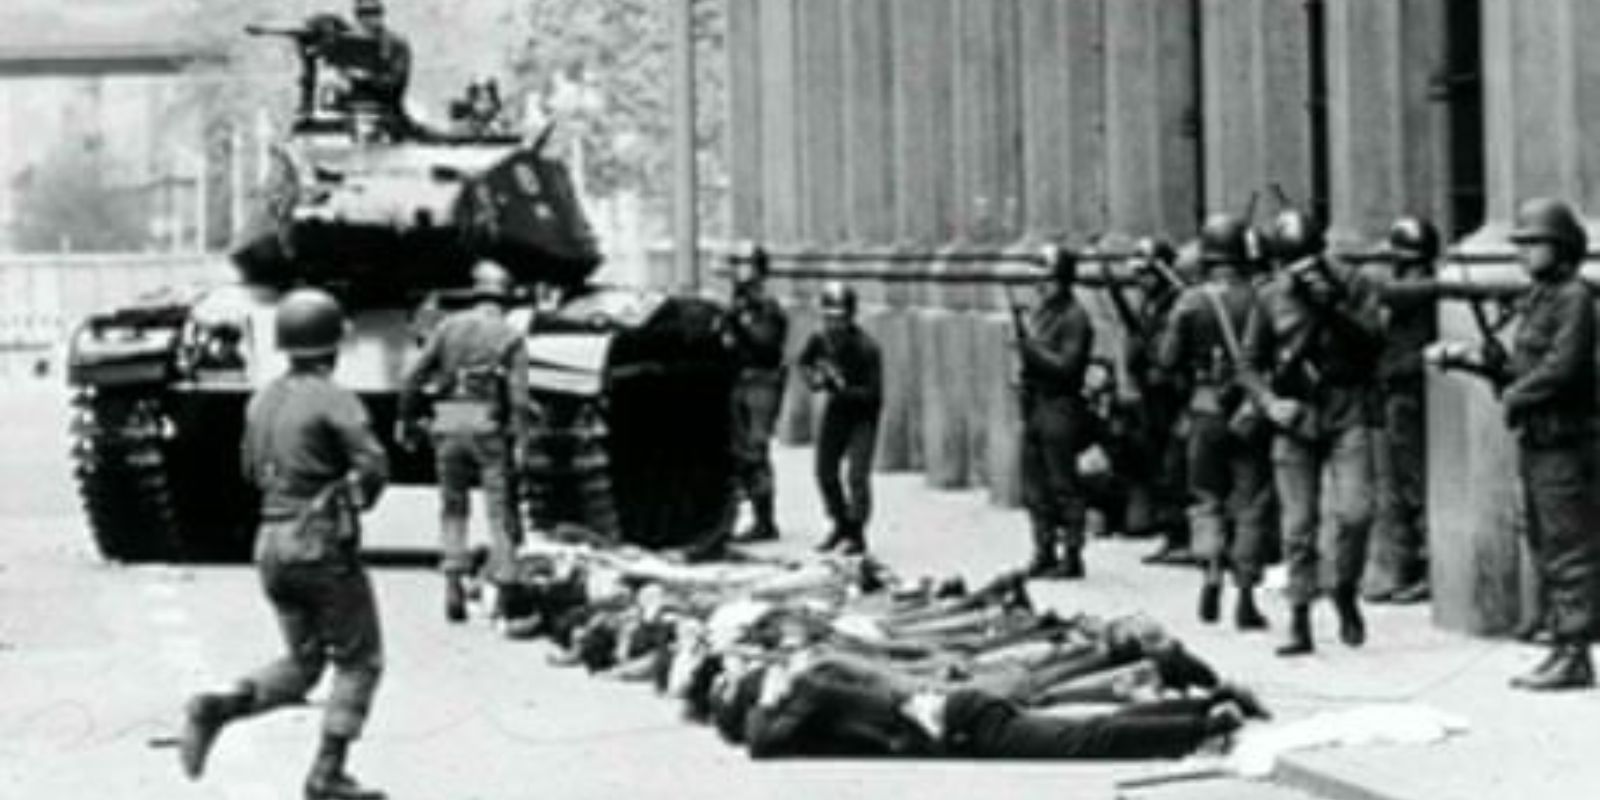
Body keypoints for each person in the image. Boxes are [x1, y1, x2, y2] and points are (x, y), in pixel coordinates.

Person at [177, 288, 389, 800]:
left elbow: (251, 470)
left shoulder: (260, 399)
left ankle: (219, 705)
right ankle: (327, 772)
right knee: (361, 660)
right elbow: (373, 468)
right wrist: (354, 499)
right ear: (333, 345)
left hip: (270, 540)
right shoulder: (335, 398)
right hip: (318, 543)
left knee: (303, 662)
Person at [1428, 197, 1597, 690]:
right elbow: (1521, 368)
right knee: (1546, 541)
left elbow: (1563, 368)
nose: (1523, 253)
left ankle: (1574, 649)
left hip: (1566, 441)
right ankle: (1562, 641)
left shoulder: (1574, 299)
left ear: (1561, 247)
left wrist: (1517, 395)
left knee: (1570, 548)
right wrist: (1468, 360)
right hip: (1541, 440)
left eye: (1533, 244)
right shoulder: (1541, 297)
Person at [1247, 209, 1383, 657]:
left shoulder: (1354, 283)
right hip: (1297, 414)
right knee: (1298, 525)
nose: (1299, 269)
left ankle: (1345, 588)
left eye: (1307, 258)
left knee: (1356, 512)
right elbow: (1248, 363)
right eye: (1291, 262)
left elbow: (1374, 341)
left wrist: (1334, 307)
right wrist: (1269, 403)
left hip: (1347, 408)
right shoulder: (1269, 297)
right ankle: (1300, 616)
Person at [1157, 214, 1274, 632]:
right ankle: (1245, 592)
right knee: (1252, 503)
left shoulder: (1190, 301)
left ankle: (1209, 567)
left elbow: (1166, 359)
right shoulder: (1262, 296)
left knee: (1206, 497)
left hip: (1205, 407)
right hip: (1249, 411)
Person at [398, 260, 532, 623]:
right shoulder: (510, 336)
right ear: (504, 300)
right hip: (488, 424)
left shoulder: (447, 327)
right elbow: (519, 398)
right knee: (499, 509)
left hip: (449, 422)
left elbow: (412, 376)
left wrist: (406, 419)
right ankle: (504, 587)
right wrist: (522, 439)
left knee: (453, 507)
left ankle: (453, 582)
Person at [1107, 236, 1193, 563]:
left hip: (1177, 395)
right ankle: (1171, 533)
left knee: (1175, 468)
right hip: (1154, 398)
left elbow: (1173, 354)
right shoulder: (1151, 304)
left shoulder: (1178, 304)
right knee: (1158, 465)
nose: (1140, 280)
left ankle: (1180, 536)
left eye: (1146, 273)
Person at [1366, 216, 1439, 605]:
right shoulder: (1420, 287)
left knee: (1415, 485)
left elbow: (1386, 293)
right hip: (1402, 394)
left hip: (1409, 396)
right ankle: (1410, 566)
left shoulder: (1418, 289)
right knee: (1404, 487)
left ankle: (1427, 569)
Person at [1015, 245, 1095, 579]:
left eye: (1046, 279)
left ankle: (1072, 554)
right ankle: (1043, 549)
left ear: (1063, 279)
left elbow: (1068, 367)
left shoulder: (1076, 317)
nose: (1039, 286)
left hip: (1061, 404)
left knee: (1064, 484)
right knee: (1034, 485)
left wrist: (1031, 349)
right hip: (1036, 403)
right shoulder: (1044, 312)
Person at [797, 281, 882, 555]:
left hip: (863, 415)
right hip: (837, 410)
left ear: (850, 318)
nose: (833, 326)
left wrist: (843, 388)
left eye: (839, 319)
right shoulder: (819, 340)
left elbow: (874, 393)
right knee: (824, 471)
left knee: (857, 474)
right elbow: (803, 363)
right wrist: (816, 380)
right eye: (828, 318)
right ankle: (840, 522)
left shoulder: (867, 348)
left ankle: (857, 532)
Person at [724, 246, 790, 544]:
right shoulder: (740, 303)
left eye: (744, 265)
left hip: (762, 381)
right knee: (739, 450)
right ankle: (748, 513)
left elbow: (765, 345)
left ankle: (766, 520)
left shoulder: (766, 306)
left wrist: (738, 322)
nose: (738, 271)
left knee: (756, 448)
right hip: (741, 378)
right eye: (736, 264)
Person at [342, 0, 411, 119]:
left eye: (375, 12)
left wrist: (367, 77)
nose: (369, 18)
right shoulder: (347, 43)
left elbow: (395, 82)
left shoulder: (396, 43)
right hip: (351, 110)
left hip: (386, 110)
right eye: (363, 13)